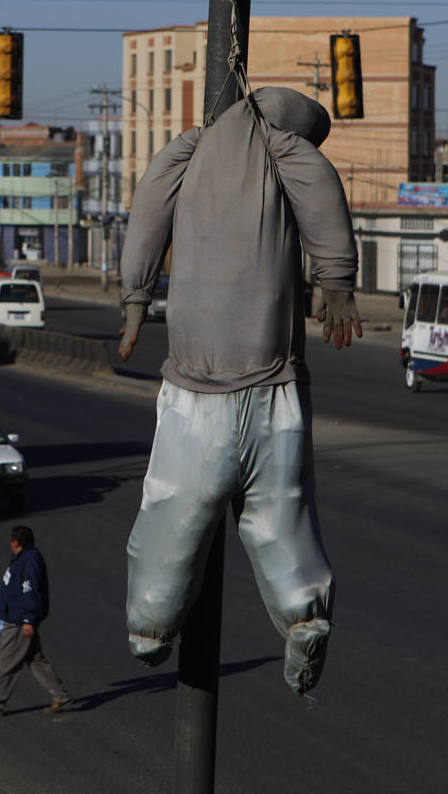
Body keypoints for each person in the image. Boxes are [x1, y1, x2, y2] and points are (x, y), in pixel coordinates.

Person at [117, 87, 361, 696]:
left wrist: (135, 300)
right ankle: (305, 620)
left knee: (172, 511)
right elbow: (323, 192)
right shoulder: (288, 152)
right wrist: (336, 280)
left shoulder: (185, 150)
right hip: (273, 389)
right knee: (284, 518)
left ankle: (150, 627)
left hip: (192, 394)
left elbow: (148, 208)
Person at [0, 526, 72, 717]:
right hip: (18, 617)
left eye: (12, 540)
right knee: (35, 660)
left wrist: (28, 619)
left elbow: (31, 591)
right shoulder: (23, 558)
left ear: (16, 542)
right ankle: (61, 696)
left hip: (20, 622)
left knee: (5, 662)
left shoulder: (29, 560)